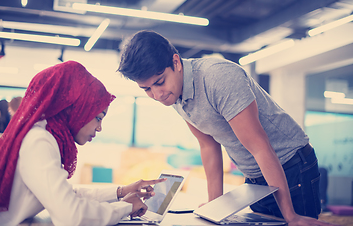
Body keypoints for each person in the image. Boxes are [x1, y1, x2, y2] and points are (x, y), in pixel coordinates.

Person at [117, 30, 335, 226]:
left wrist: (291, 217)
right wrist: (215, 206)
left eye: (160, 82)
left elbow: (260, 146)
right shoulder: (175, 95)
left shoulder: (218, 78)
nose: (157, 95)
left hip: (291, 166)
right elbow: (208, 145)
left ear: (176, 62)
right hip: (255, 176)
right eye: (146, 89)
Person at [0, 60, 166, 226]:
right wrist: (126, 206)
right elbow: (71, 215)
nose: (99, 128)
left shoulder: (44, 135)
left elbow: (67, 195)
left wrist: (121, 192)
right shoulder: (39, 141)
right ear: (76, 108)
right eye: (98, 118)